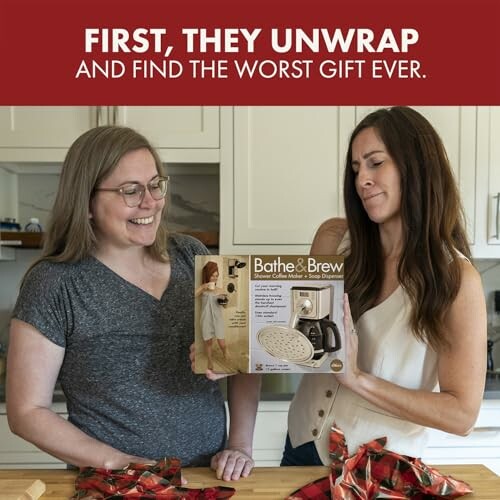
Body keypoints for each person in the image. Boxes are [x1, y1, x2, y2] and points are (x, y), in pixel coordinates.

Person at [6, 125, 260, 481]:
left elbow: (245, 359)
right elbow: (26, 411)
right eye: (130, 190)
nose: (151, 202)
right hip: (114, 485)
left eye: (156, 185)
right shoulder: (55, 283)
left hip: (208, 479)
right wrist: (123, 464)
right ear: (87, 202)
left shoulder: (193, 257)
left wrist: (240, 445)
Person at [282, 106, 487, 466]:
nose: (362, 179)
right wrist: (233, 352)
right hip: (302, 447)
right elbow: (296, 341)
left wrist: (358, 379)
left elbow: (461, 415)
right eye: (357, 168)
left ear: (416, 166)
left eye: (376, 163)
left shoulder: (456, 279)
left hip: (381, 467)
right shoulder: (333, 240)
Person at [195, 261, 230, 371]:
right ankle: (210, 360)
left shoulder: (220, 290)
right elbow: (193, 295)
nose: (215, 278)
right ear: (207, 275)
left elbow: (225, 307)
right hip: (206, 319)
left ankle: (225, 352)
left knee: (222, 342)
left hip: (218, 319)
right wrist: (203, 286)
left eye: (216, 276)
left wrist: (224, 300)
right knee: (208, 342)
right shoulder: (203, 289)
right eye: (212, 275)